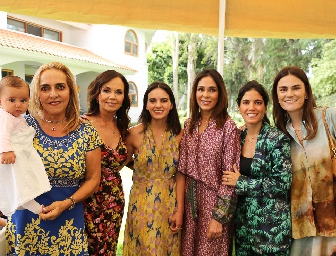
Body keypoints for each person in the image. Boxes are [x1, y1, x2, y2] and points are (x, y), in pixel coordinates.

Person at [271, 66, 336, 256]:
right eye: (283, 89)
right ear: (277, 96)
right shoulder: (278, 135)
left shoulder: (330, 118)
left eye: (296, 88)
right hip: (303, 230)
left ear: (306, 92)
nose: (289, 94)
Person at [5, 62, 102, 255]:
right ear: (36, 93)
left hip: (69, 219)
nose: (53, 94)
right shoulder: (21, 125)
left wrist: (66, 203)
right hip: (26, 219)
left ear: (71, 91)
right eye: (45, 88)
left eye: (60, 87)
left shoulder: (87, 131)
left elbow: (93, 179)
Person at [222, 81, 292, 255]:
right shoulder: (236, 137)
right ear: (239, 107)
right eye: (246, 102)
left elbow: (283, 182)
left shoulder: (277, 139)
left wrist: (242, 183)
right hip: (244, 229)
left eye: (257, 102)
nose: (251, 107)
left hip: (272, 230)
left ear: (265, 107)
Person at [177, 69, 240, 255]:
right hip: (190, 204)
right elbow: (182, 169)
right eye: (201, 89)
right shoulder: (189, 124)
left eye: (211, 90)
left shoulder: (228, 127)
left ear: (220, 93)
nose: (205, 95)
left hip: (214, 205)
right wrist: (180, 209)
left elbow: (230, 179)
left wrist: (219, 218)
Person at [123, 82, 183, 255]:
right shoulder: (134, 134)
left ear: (171, 104)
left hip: (169, 202)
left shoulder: (180, 134)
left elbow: (180, 174)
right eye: (153, 100)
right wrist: (142, 170)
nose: (158, 105)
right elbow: (121, 161)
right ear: (146, 104)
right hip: (141, 204)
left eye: (163, 100)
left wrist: (179, 210)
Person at [0, 76, 50, 217]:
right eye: (12, 100)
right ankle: (32, 206)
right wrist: (6, 150)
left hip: (19, 153)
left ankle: (24, 202)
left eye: (23, 100)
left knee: (23, 181)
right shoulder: (4, 117)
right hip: (11, 157)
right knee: (20, 183)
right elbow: (2, 135)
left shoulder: (15, 117)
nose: (18, 104)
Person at [83, 70, 131, 255]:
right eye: (107, 90)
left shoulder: (122, 127)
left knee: (107, 251)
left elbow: (128, 160)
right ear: (97, 94)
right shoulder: (81, 124)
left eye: (118, 92)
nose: (112, 97)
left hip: (114, 201)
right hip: (86, 199)